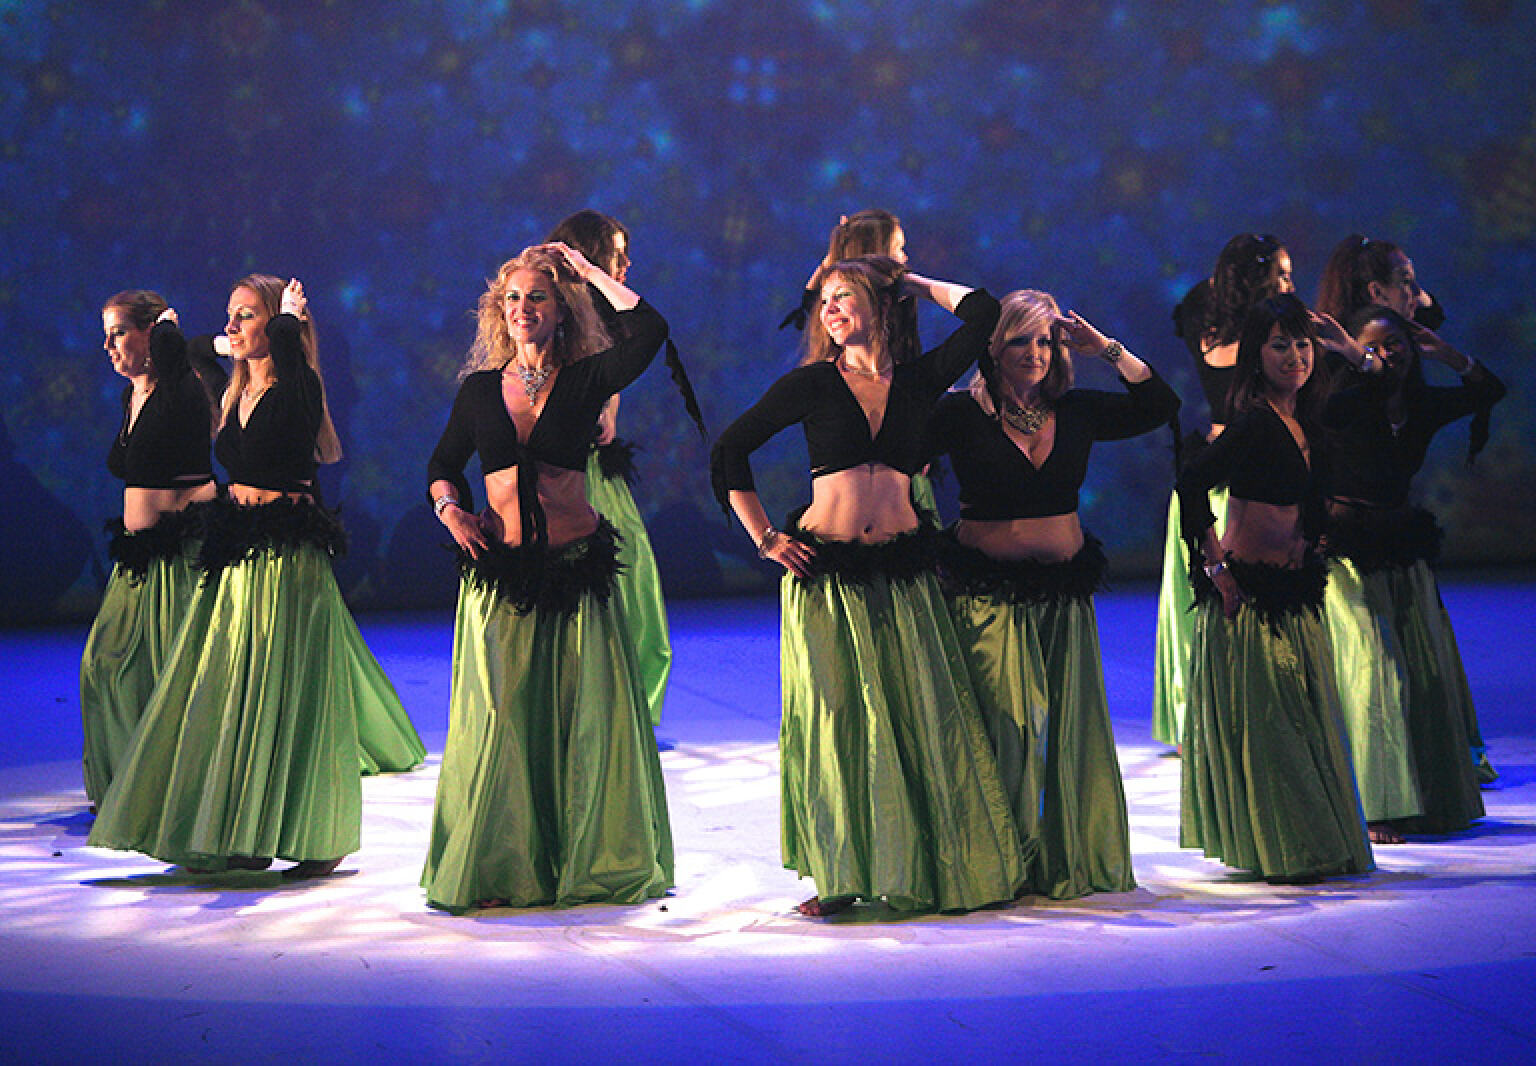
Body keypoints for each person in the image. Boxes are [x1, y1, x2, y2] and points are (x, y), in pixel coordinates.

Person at [712, 255, 1026, 917]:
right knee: (840, 724)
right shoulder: (810, 385)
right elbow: (729, 451)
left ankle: (932, 867)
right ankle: (841, 874)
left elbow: (984, 313)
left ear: (880, 308)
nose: (828, 309)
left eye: (842, 296)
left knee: (919, 718)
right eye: (823, 300)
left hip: (903, 578)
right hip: (829, 580)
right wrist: (766, 538)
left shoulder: (919, 380)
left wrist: (913, 284)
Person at [90, 275, 414, 879]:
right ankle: (249, 830)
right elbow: (192, 351)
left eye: (246, 315)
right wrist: (221, 340)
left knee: (286, 693)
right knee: (238, 694)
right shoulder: (236, 392)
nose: (231, 325)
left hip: (287, 558)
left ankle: (316, 836)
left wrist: (290, 324)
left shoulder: (298, 386)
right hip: (240, 551)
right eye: (230, 315)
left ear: (279, 328)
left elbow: (288, 376)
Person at [422, 243, 673, 911]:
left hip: (576, 573)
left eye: (537, 297)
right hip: (503, 578)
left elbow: (651, 330)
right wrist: (451, 511)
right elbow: (442, 466)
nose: (523, 308)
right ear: (497, 311)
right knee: (504, 721)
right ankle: (504, 866)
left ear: (561, 310)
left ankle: (589, 861)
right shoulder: (480, 390)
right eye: (512, 298)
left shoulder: (586, 378)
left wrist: (588, 274)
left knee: (584, 723)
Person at [929, 290, 1179, 898]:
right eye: (1021, 339)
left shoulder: (1076, 410)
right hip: (988, 599)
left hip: (1065, 599)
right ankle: (998, 861)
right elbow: (892, 445)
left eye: (1046, 340)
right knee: (1010, 725)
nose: (1036, 352)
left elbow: (1159, 404)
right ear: (995, 346)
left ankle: (1064, 856)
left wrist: (1106, 349)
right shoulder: (959, 413)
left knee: (1069, 730)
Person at [1176, 294, 1373, 882]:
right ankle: (1290, 849)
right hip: (1251, 600)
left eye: (1303, 345)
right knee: (1275, 728)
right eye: (1280, 345)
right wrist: (1215, 568)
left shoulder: (1311, 419)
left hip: (1295, 594)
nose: (1295, 357)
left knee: (1306, 723)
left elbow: (1378, 391)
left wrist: (1349, 348)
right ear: (1256, 355)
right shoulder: (1255, 422)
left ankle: (1310, 841)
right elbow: (1192, 482)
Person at [1318, 303, 1504, 841]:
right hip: (1347, 550)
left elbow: (1489, 391)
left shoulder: (1422, 404)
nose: (1386, 354)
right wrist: (1355, 358)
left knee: (1424, 674)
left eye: (1395, 343)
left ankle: (1428, 798)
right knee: (1376, 670)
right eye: (1372, 345)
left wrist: (1446, 353)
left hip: (1402, 544)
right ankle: (1377, 806)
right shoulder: (1345, 403)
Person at [1152, 234, 1294, 749]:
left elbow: (1211, 287)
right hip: (1239, 484)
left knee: (1201, 601)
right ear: (1258, 280)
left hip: (1212, 471)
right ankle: (1233, 714)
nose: (1289, 285)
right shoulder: (1270, 338)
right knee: (1230, 600)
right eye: (1281, 274)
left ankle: (1200, 716)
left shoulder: (1200, 312)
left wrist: (1232, 271)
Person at [80, 290, 219, 810]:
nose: (109, 346)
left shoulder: (183, 388)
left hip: (181, 555)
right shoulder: (131, 396)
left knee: (173, 675)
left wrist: (168, 336)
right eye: (106, 335)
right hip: (138, 556)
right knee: (103, 665)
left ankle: (174, 791)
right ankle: (125, 783)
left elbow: (184, 365)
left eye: (119, 333)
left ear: (149, 334)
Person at [545, 210, 684, 728]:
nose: (626, 265)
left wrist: (609, 411)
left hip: (599, 469)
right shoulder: (552, 315)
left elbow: (636, 343)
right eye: (616, 255)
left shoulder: (608, 318)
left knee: (633, 583)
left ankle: (627, 705)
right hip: (560, 475)